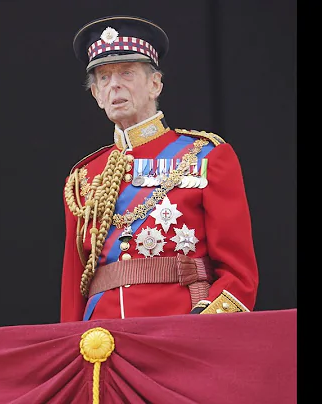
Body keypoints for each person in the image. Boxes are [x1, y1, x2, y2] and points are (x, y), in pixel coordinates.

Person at [60, 15, 259, 322]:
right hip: (102, 337)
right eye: (103, 78)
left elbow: (239, 276)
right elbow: (75, 287)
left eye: (126, 73)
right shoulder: (83, 178)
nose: (114, 85)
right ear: (97, 95)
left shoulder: (205, 156)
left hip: (182, 332)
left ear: (155, 84)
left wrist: (202, 326)